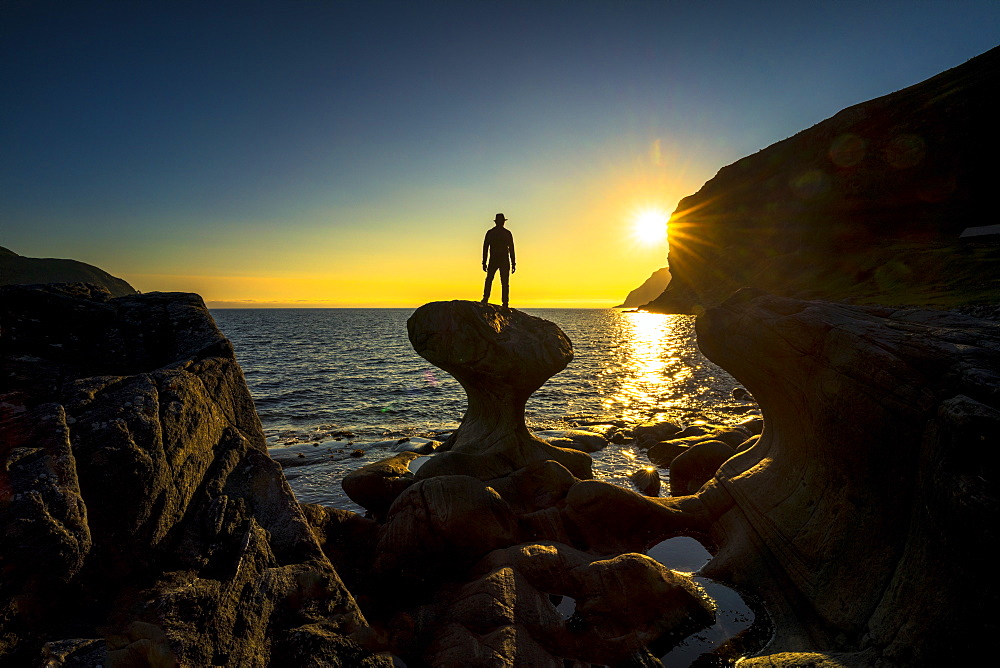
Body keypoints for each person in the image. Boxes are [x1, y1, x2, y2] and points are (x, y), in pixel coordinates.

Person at [482, 213, 516, 307]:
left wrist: (513, 263)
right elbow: (485, 248)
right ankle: (501, 302)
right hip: (499, 259)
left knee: (496, 280)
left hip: (498, 259)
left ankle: (501, 302)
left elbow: (485, 248)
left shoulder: (492, 233)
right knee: (500, 281)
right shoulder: (503, 233)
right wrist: (484, 262)